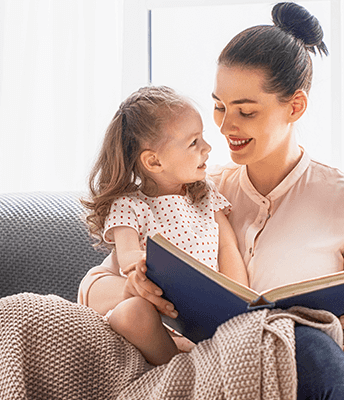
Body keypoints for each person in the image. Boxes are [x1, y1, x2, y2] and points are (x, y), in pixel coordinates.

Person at [78, 2, 344, 398]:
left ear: (295, 106)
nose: (225, 127)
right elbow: (93, 287)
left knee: (314, 350)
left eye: (246, 112)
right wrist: (138, 290)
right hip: (201, 374)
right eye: (219, 106)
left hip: (297, 377)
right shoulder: (194, 190)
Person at [81, 85, 249, 366]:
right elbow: (129, 258)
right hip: (157, 315)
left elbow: (227, 245)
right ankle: (178, 373)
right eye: (194, 142)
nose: (207, 148)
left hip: (204, 317)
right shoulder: (131, 205)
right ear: (154, 161)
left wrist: (239, 302)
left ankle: (190, 364)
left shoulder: (206, 196)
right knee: (133, 312)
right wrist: (142, 271)